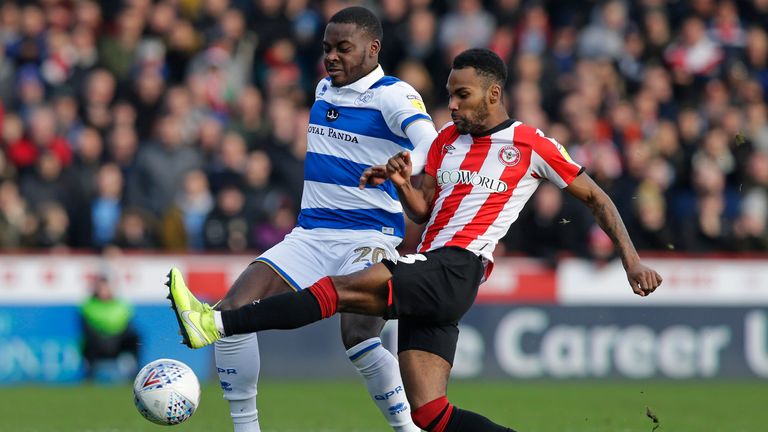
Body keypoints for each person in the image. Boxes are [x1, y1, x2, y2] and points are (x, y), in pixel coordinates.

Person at [169, 49, 663, 431]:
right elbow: (425, 213)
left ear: (494, 94)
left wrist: (632, 261)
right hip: (432, 263)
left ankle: (217, 323)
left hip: (457, 266)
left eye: (462, 95)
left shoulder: (531, 144)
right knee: (432, 415)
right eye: (450, 93)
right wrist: (404, 186)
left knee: (337, 292)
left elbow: (597, 198)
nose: (451, 104)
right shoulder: (447, 141)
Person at [174, 6, 437, 432]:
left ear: (373, 49)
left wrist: (402, 166)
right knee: (232, 311)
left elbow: (430, 139)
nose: (331, 56)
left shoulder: (394, 93)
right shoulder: (324, 89)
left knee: (358, 337)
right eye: (326, 47)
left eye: (342, 48)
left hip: (367, 236)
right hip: (311, 235)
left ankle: (407, 429)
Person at [80, 272, 140, 382]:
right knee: (89, 341)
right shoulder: (89, 305)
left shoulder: (121, 305)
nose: (104, 291)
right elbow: (87, 328)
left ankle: (135, 373)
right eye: (101, 288)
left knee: (135, 337)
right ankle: (89, 375)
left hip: (118, 341)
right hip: (97, 342)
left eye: (106, 287)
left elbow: (127, 325)